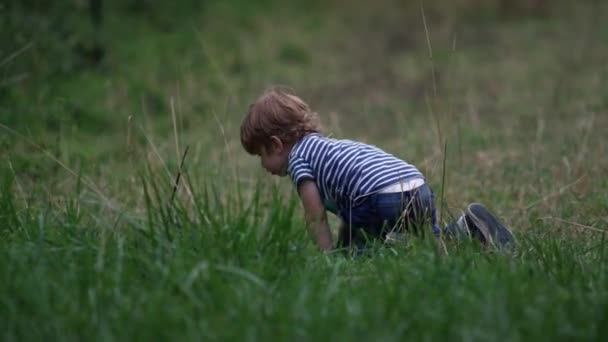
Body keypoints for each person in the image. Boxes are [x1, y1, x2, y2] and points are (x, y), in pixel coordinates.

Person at [240, 88, 514, 253]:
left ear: (276, 145)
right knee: (428, 245)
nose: (263, 166)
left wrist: (327, 258)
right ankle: (469, 227)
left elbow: (316, 217)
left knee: (356, 254)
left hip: (377, 196)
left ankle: (377, 254)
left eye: (260, 155)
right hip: (415, 186)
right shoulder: (324, 145)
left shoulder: (299, 159)